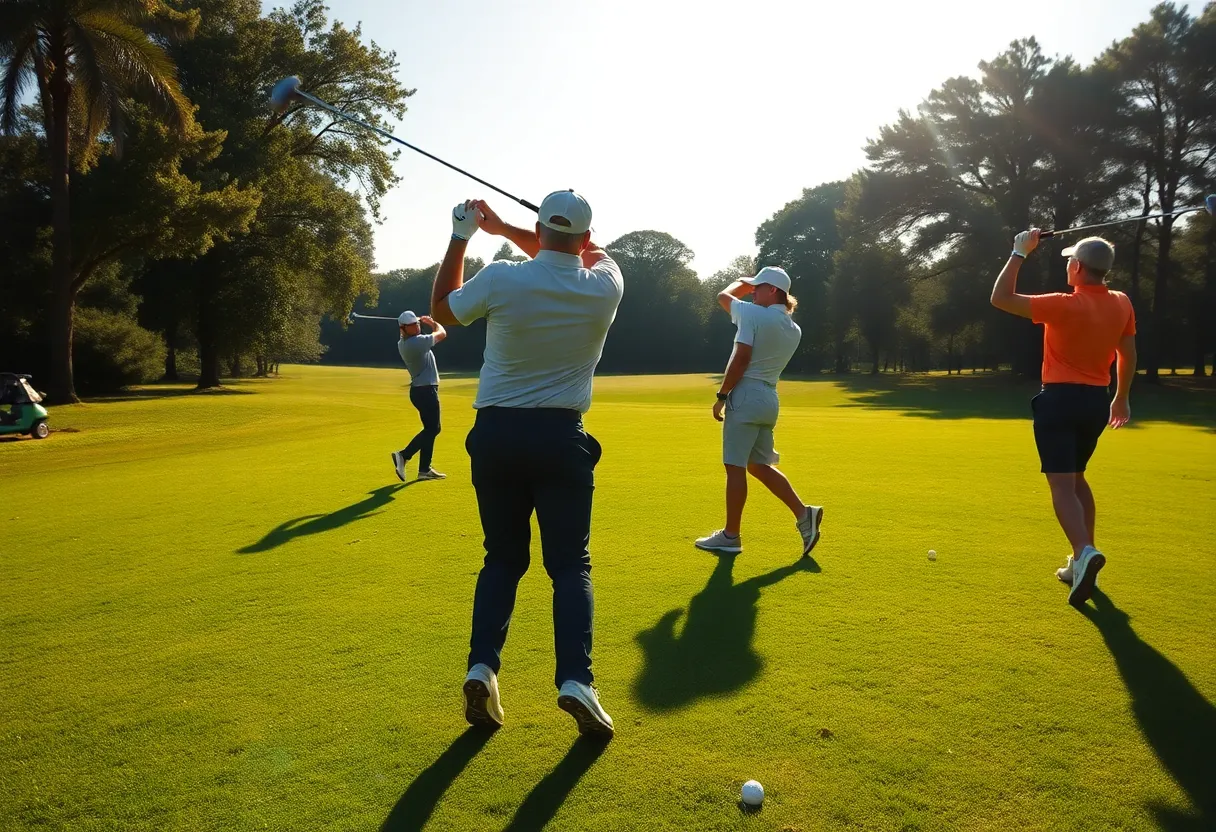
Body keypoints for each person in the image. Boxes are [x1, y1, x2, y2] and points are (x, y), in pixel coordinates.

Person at [429, 190, 624, 738]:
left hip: (495, 435)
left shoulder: (502, 278)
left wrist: (465, 234)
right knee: (569, 566)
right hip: (560, 438)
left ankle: (482, 668)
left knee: (502, 560)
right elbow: (581, 248)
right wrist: (513, 227)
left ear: (541, 227)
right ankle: (576, 681)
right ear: (585, 239)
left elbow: (443, 309)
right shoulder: (606, 283)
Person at [990, 231, 1136, 607]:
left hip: (1059, 401)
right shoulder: (1121, 302)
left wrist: (1018, 252)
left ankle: (1084, 551)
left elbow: (1000, 298)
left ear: (1076, 267)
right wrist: (1120, 398)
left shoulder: (1062, 304)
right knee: (1077, 479)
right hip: (1095, 403)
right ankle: (1078, 562)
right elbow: (1128, 354)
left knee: (1061, 486)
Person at [695, 266, 824, 559]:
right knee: (757, 465)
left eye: (758, 287)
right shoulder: (793, 328)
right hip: (769, 398)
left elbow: (724, 302)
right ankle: (805, 514)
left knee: (735, 466)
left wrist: (721, 395)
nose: (753, 291)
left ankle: (730, 536)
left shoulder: (752, 314)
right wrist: (752, 283)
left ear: (773, 291)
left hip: (746, 395)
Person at [391, 311, 447, 482]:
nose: (416, 327)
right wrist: (432, 322)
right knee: (433, 429)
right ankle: (403, 455)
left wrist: (425, 324)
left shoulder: (405, 342)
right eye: (411, 325)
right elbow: (442, 333)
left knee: (429, 430)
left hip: (420, 391)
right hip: (425, 391)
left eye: (416, 323)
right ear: (403, 329)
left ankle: (424, 469)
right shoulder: (416, 342)